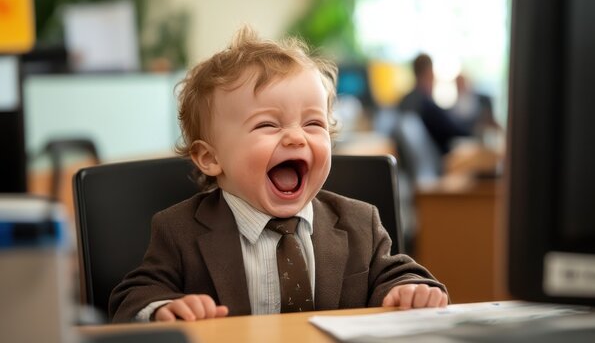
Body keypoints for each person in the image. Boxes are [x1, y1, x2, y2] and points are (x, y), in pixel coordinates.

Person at [109, 27, 448, 323]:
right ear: (210, 158)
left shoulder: (359, 222)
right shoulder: (178, 229)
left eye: (314, 123)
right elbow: (133, 295)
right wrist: (163, 308)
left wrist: (410, 290)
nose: (296, 137)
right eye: (268, 125)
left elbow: (396, 274)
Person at [398, 53, 468, 155]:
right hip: (441, 159)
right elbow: (453, 130)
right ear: (429, 73)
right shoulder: (426, 105)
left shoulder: (404, 101)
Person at [448, 74, 501, 139]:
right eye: (457, 83)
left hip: (476, 127)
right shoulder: (455, 103)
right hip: (463, 130)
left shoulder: (481, 99)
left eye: (460, 82)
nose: (459, 85)